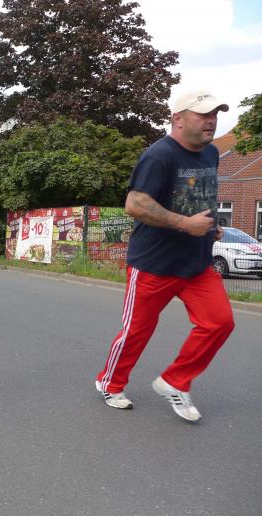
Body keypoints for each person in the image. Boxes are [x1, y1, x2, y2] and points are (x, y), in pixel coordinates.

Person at [95, 90, 235, 423]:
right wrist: (186, 224)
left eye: (214, 114)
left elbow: (198, 196)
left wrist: (210, 225)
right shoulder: (159, 155)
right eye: (203, 115)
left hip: (197, 264)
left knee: (219, 322)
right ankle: (110, 383)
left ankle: (175, 381)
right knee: (137, 332)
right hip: (154, 264)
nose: (211, 121)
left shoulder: (212, 153)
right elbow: (135, 204)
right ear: (178, 119)